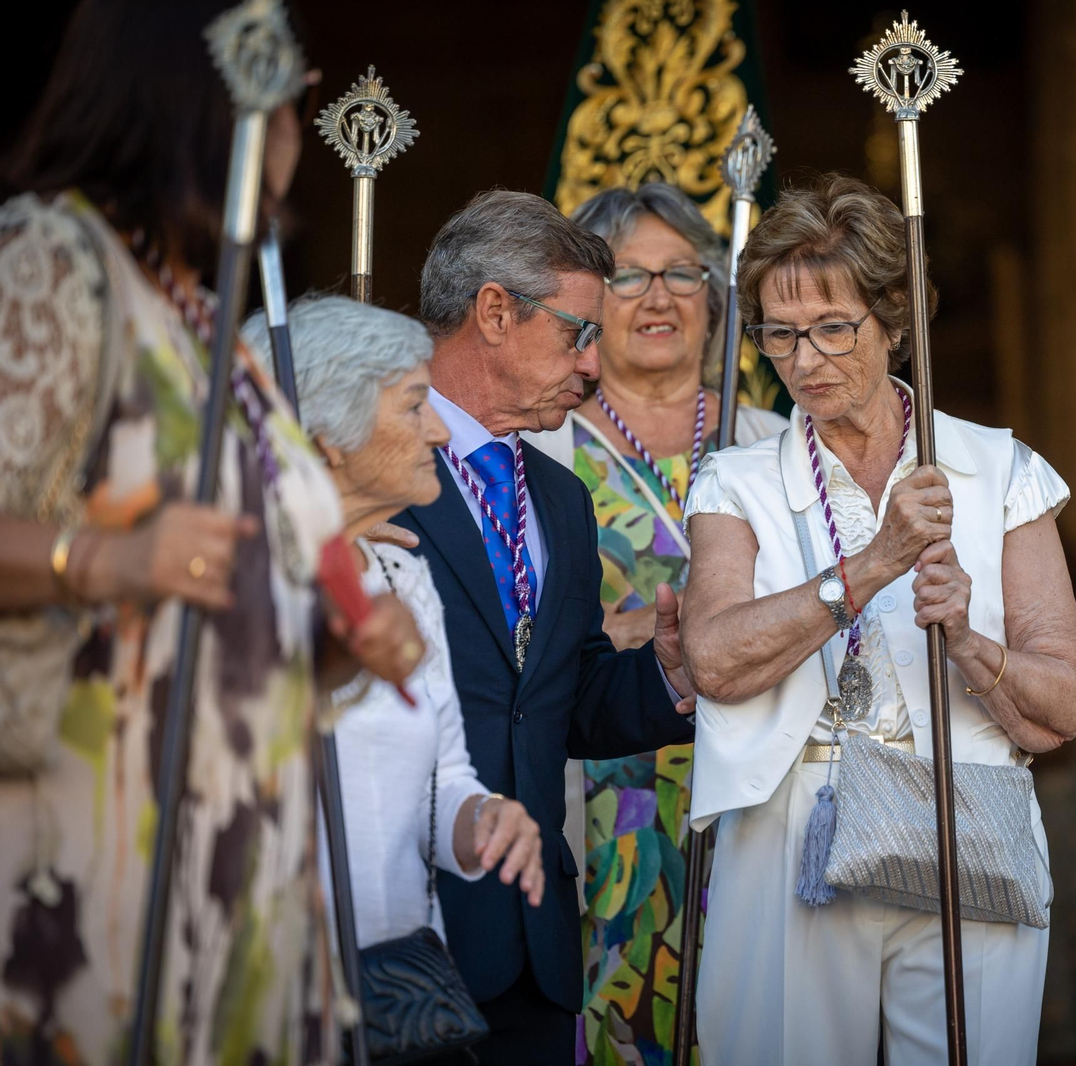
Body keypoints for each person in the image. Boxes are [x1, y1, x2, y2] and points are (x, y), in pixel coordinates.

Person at [0, 2, 420, 1062]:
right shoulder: (55, 255)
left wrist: (342, 641)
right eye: (287, 82)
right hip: (101, 827)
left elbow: (249, 584)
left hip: (243, 846)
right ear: (203, 86)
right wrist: (99, 558)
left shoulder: (201, 313)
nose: (301, 111)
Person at [677, 173, 1076, 1065]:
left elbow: (1065, 705)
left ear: (896, 323)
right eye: (778, 335)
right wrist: (870, 569)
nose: (805, 359)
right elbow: (714, 659)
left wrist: (974, 644)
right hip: (796, 822)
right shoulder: (735, 481)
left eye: (834, 328)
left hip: (968, 813)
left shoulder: (998, 468)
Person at [393, 189, 697, 1065]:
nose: (594, 366)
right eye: (577, 333)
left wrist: (669, 673)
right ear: (495, 311)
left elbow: (559, 706)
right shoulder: (373, 457)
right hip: (406, 919)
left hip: (537, 945)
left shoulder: (561, 497)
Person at [530, 182, 784, 1063]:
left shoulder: (771, 441)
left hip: (749, 771)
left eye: (684, 272)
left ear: (717, 295)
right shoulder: (545, 448)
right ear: (590, 305)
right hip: (607, 790)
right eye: (630, 278)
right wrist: (645, 634)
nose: (661, 296)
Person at [242, 295, 548, 947]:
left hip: (394, 986)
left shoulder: (398, 577)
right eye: (414, 405)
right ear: (330, 435)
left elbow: (442, 782)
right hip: (267, 975)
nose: (440, 433)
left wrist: (485, 818)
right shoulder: (233, 578)